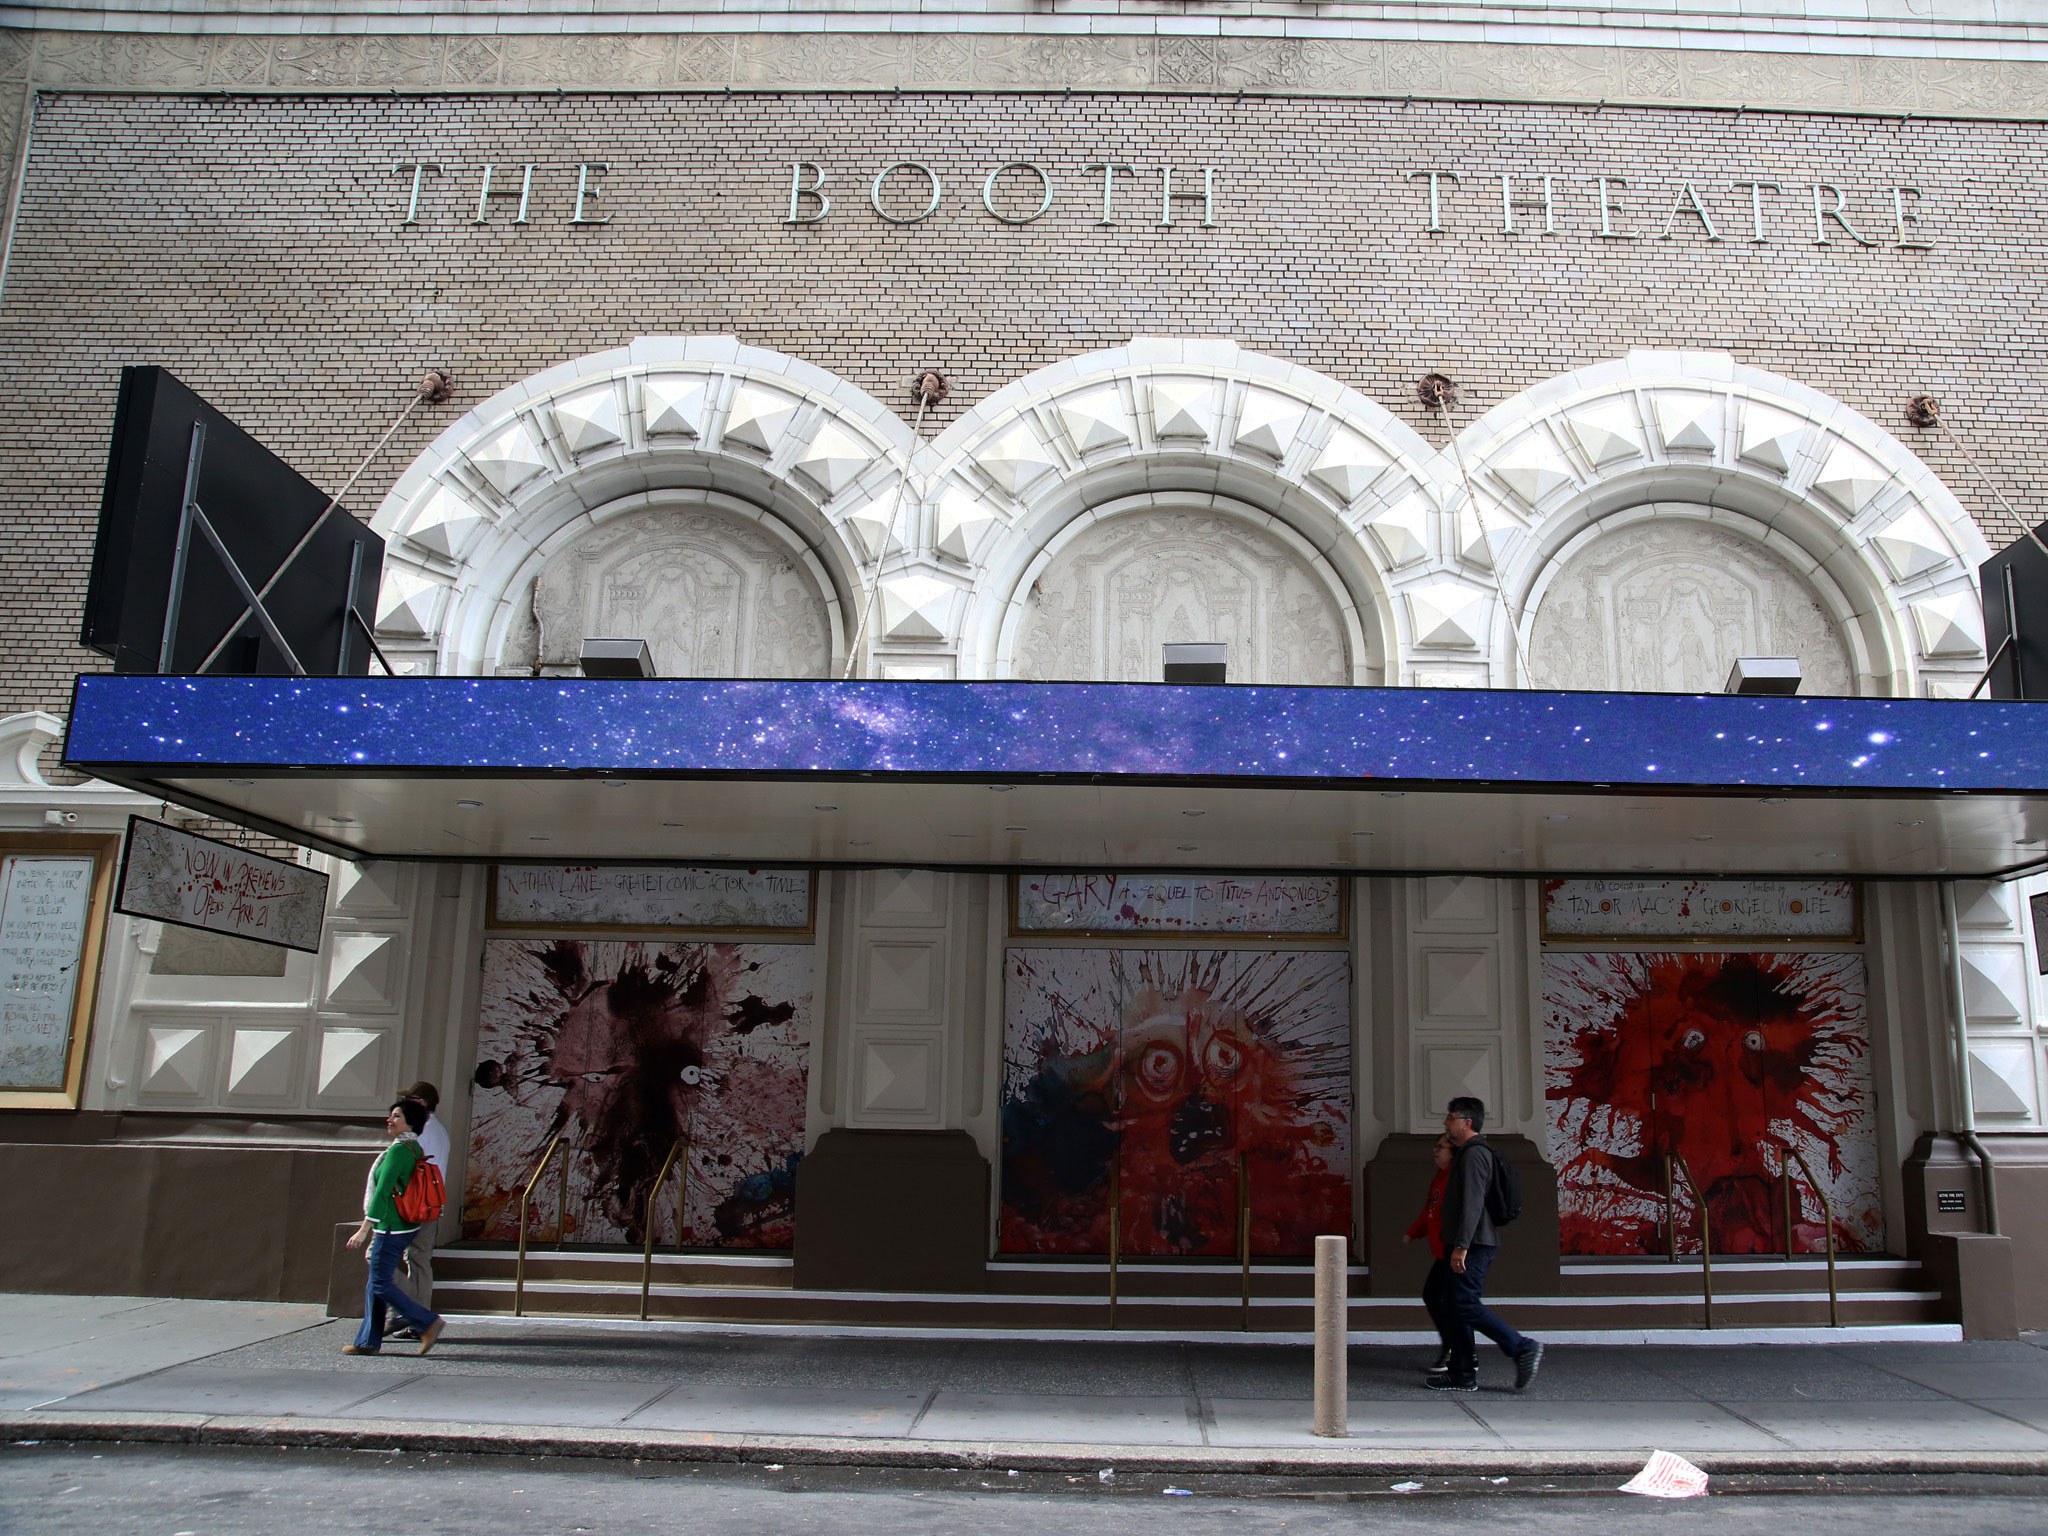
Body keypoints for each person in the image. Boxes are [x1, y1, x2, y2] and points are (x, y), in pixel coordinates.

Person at [1427, 1096, 1542, 1393]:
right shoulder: (1467, 1153)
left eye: (1450, 1117)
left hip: (1475, 1243)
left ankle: (1522, 1347)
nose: (1445, 1122)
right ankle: (1462, 1373)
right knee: (1454, 1305)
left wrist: (1461, 1245)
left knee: (1464, 1303)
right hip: (1469, 1241)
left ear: (1466, 1122)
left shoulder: (1476, 1153)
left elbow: (1473, 1202)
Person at [344, 1097, 445, 1357]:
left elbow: (383, 1192)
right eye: (391, 1115)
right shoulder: (412, 1147)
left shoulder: (400, 1151)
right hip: (402, 1224)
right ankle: (368, 1340)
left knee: (380, 1282)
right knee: (374, 1284)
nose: (390, 1119)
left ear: (410, 1122)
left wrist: (364, 1229)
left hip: (390, 1227)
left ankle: (426, 1322)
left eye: (397, 1116)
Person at [391, 1081, 449, 1338]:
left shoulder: (421, 1131)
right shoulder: (440, 1131)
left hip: (415, 1206)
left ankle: (409, 1311)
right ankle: (419, 1319)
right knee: (419, 1260)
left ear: (422, 1104)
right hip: (430, 1205)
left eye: (411, 1099)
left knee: (387, 1260)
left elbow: (406, 1168)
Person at [1404, 1132, 1456, 1378]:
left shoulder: (1455, 1178)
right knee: (1436, 1297)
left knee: (1451, 1301)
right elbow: (1430, 1209)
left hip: (1454, 1250)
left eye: (1441, 1147)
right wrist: (1414, 1232)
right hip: (1442, 1251)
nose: (1436, 1151)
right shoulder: (1439, 1177)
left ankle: (1457, 1350)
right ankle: (1456, 1347)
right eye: (1436, 1146)